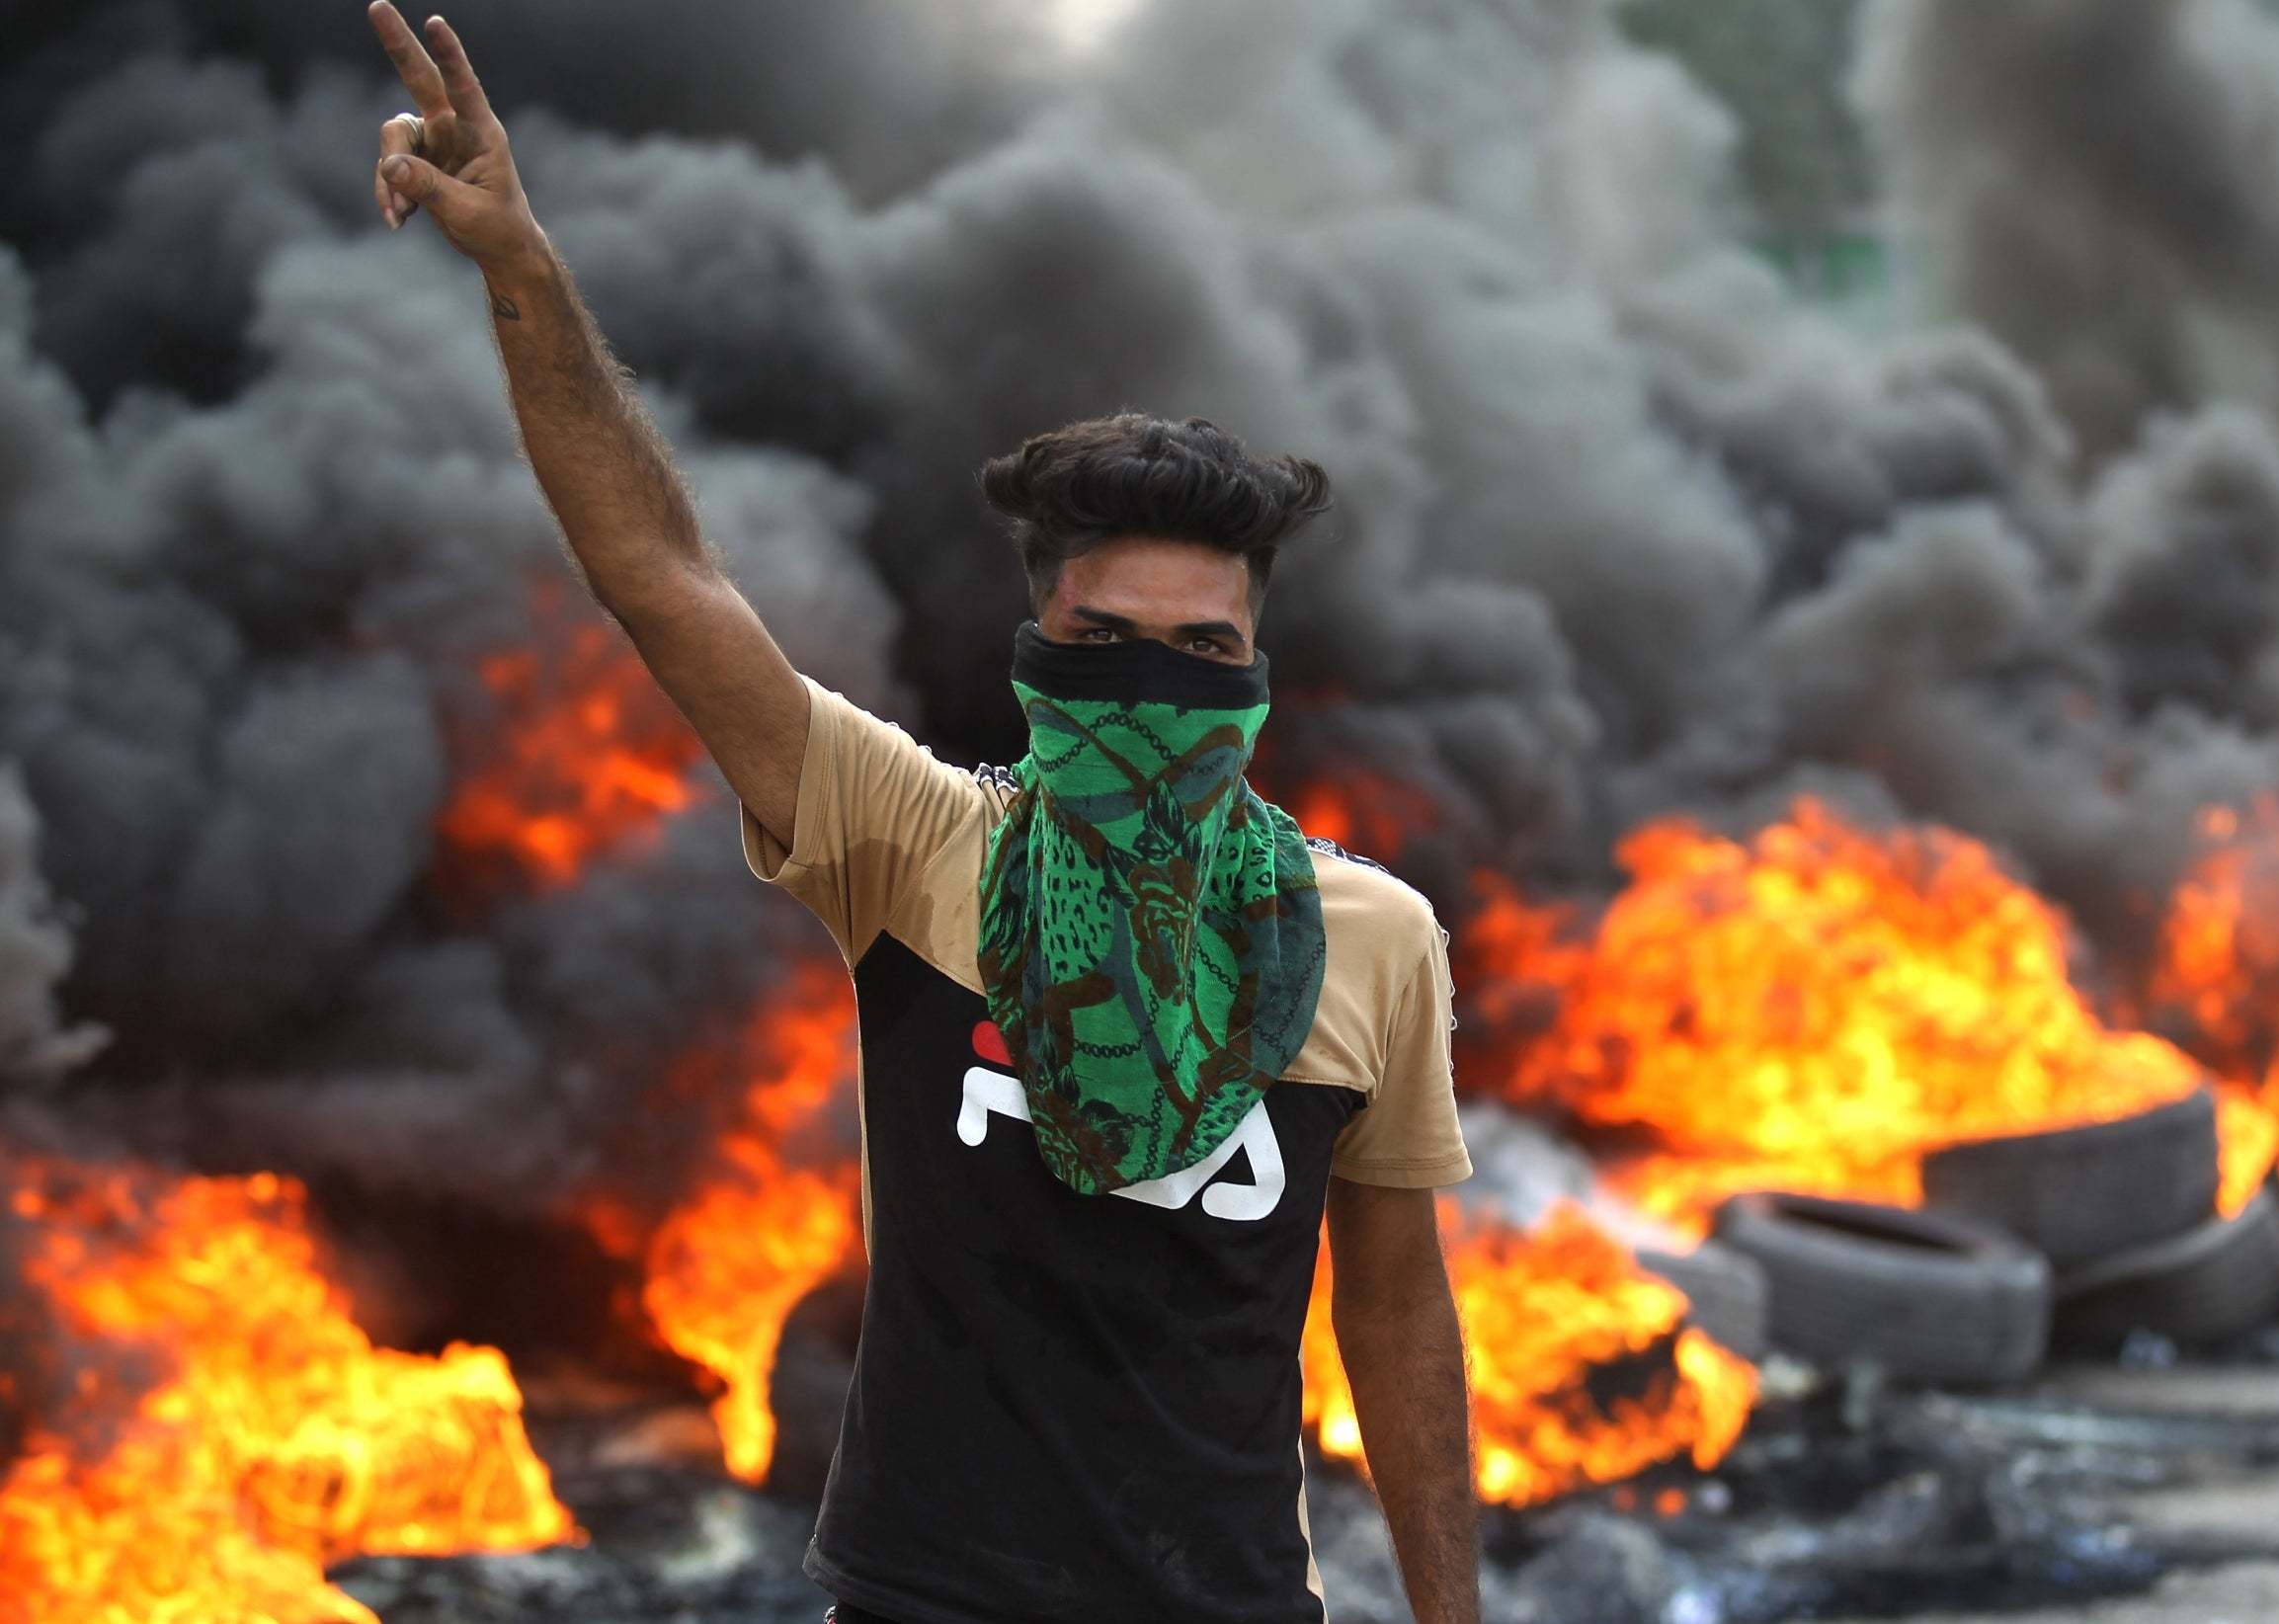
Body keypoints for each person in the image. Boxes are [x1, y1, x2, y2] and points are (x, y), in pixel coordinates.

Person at [364, 7, 1480, 1620]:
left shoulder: (1368, 942)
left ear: (1255, 677)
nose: (1152, 697)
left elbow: (1394, 1314)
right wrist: (526, 275)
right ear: (1035, 651)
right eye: (1103, 650)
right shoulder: (919, 848)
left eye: (1202, 657)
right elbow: (662, 581)